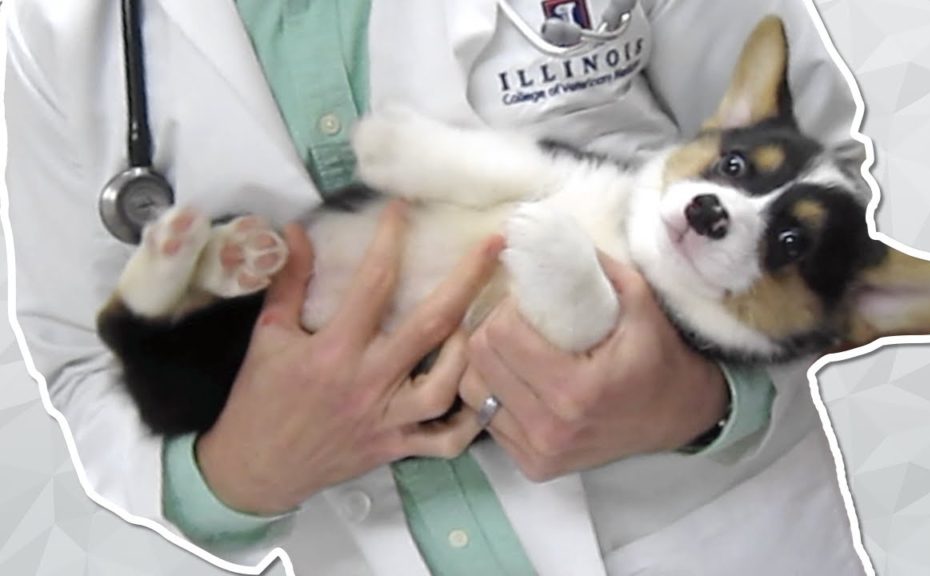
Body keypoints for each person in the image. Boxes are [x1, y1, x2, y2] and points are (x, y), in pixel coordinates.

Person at [5, 0, 869, 574]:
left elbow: (825, 194)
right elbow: (80, 359)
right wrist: (236, 474)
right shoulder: (53, 25)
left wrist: (706, 400)